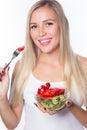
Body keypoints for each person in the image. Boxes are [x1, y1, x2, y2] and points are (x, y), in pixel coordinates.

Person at [0, 0, 87, 130]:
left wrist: (69, 106)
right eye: (34, 26)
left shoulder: (83, 66)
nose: (41, 33)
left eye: (48, 24)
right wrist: (2, 97)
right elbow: (12, 124)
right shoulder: (22, 67)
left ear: (62, 25)